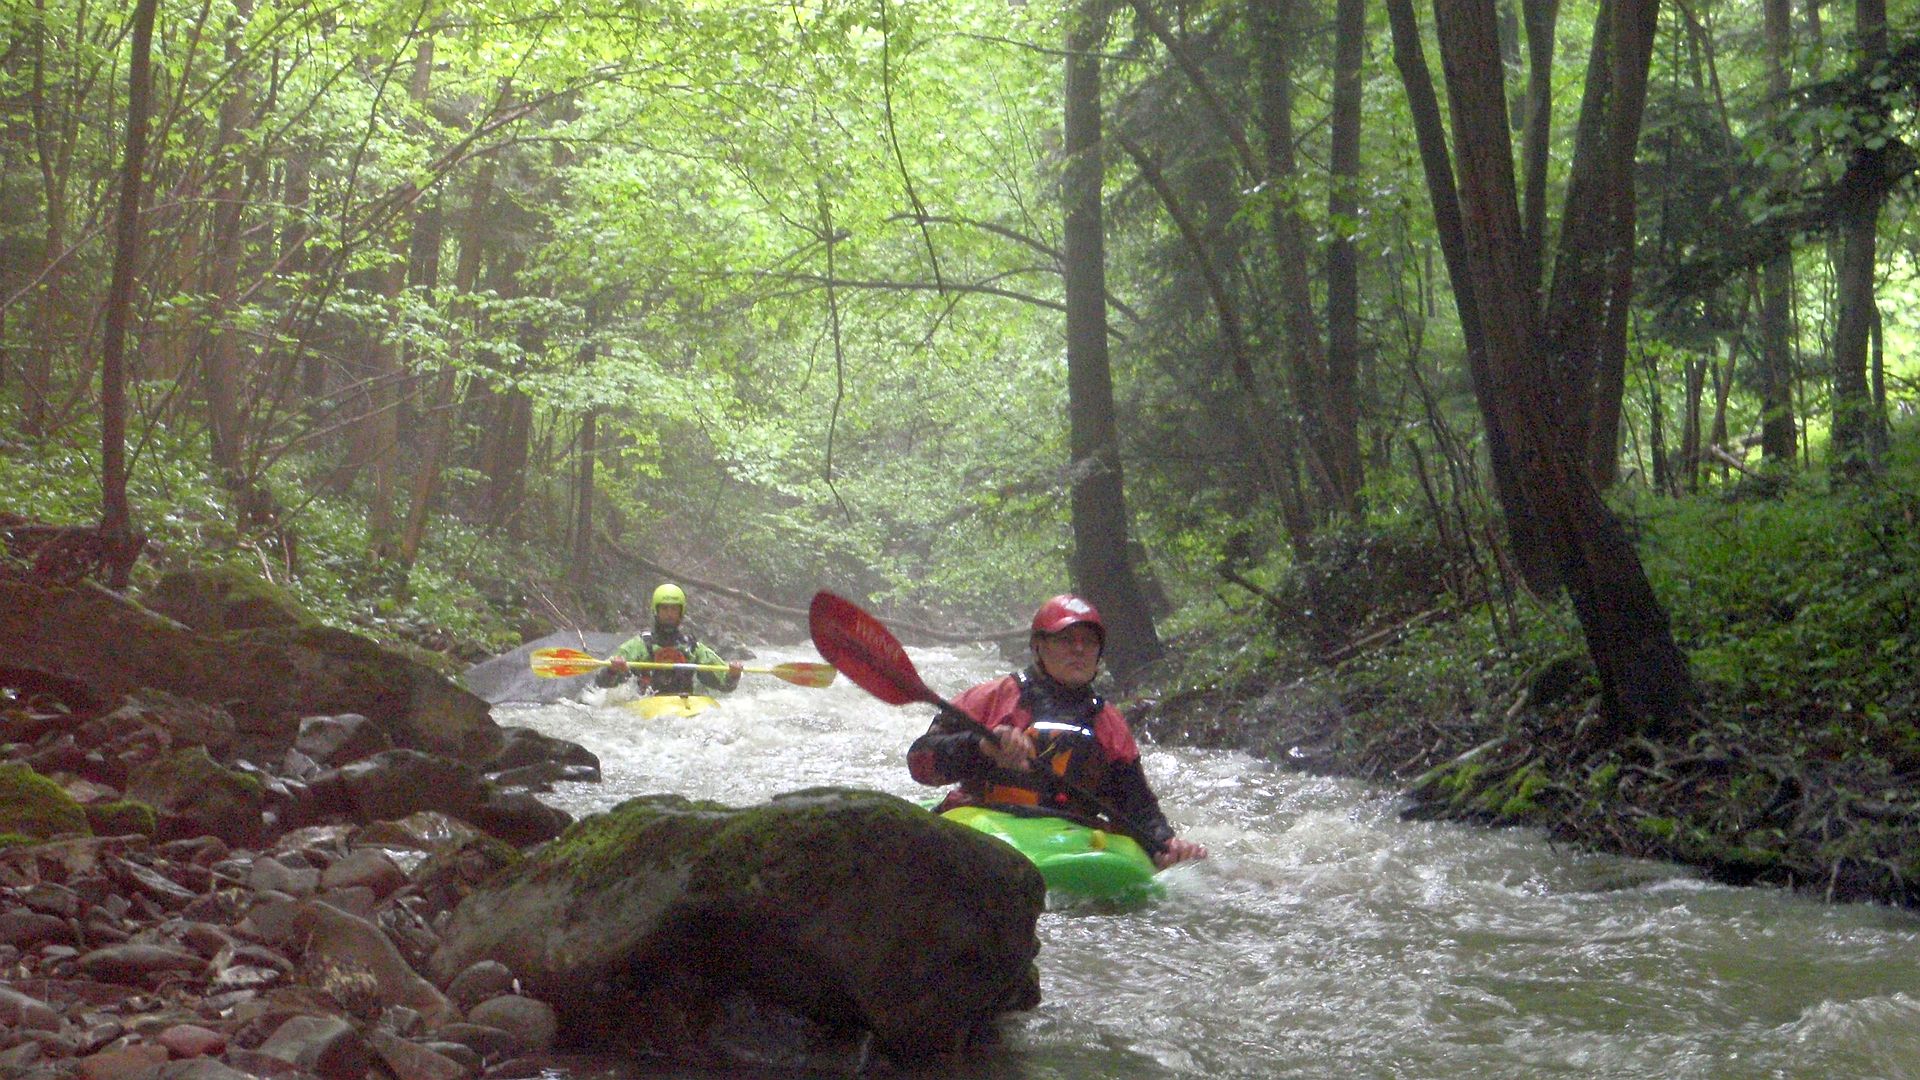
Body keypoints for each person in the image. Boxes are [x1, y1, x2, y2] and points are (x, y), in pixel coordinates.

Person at [907, 594, 1207, 869]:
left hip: (1069, 837)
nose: (1079, 649)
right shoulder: (992, 697)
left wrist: (1165, 844)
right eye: (1066, 639)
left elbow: (1136, 806)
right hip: (986, 822)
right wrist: (981, 746)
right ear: (1039, 646)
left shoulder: (1108, 723)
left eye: (1089, 641)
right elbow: (920, 763)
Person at [594, 583, 743, 696]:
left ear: (681, 612)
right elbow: (601, 682)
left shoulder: (692, 647)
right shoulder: (639, 645)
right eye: (665, 609)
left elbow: (725, 685)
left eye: (674, 609)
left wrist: (733, 675)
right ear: (656, 611)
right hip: (645, 703)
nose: (669, 614)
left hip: (683, 705)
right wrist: (613, 670)